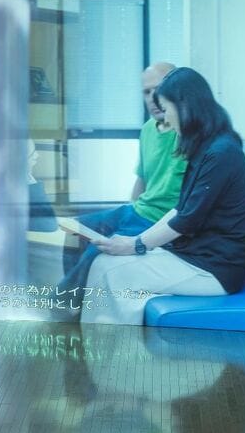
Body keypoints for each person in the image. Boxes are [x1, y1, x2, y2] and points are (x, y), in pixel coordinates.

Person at [79, 66, 245, 324]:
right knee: (103, 263)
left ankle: (114, 346)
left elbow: (186, 220)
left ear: (184, 105)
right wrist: (136, 242)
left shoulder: (222, 152)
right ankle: (104, 344)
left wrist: (135, 245)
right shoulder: (206, 147)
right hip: (195, 255)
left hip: (215, 268)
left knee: (112, 274)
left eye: (166, 108)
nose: (166, 118)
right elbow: (181, 209)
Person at [59, 62, 188, 292]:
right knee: (73, 230)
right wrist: (128, 211)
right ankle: (76, 295)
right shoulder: (148, 129)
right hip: (137, 211)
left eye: (158, 90)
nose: (152, 98)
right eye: (146, 92)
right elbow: (142, 179)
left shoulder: (188, 132)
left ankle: (63, 300)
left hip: (160, 221)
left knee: (97, 250)